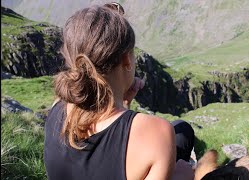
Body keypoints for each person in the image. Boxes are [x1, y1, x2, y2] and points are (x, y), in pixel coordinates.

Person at [44, 2, 194, 180]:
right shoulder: (158, 132)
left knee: (181, 131)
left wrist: (123, 104)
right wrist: (181, 176)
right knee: (182, 134)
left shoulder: (57, 109)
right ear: (126, 60)